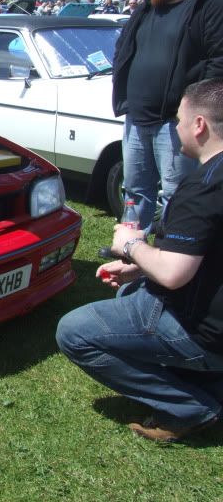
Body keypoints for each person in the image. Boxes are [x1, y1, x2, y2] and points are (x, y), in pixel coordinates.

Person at [57, 78, 223, 443]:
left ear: (199, 125)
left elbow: (176, 274)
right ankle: (208, 381)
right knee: (129, 292)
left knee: (74, 332)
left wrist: (131, 246)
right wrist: (139, 268)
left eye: (179, 119)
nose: (176, 128)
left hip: (204, 331)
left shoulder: (205, 186)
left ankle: (190, 408)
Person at [112, 0, 223, 231]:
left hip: (176, 123)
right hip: (136, 117)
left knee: (177, 194)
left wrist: (191, 105)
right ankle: (130, 252)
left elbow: (219, 61)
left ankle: (173, 254)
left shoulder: (209, 6)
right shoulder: (147, 8)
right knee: (135, 192)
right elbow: (124, 48)